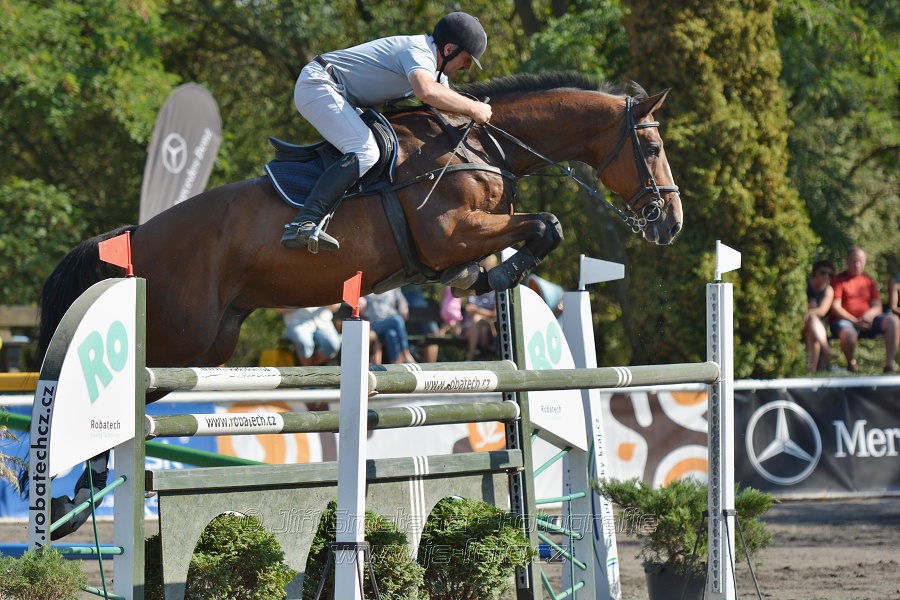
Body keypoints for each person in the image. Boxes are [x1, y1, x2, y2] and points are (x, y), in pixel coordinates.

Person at [281, 12, 492, 252]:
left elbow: (446, 104)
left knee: (385, 149)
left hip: (340, 94)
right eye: (467, 58)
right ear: (449, 49)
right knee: (366, 151)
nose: (467, 66)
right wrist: (474, 107)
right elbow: (425, 91)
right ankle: (304, 221)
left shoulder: (434, 72)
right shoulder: (418, 51)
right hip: (319, 84)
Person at [828, 247, 900, 373]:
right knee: (849, 335)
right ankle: (851, 364)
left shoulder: (868, 281)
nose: (857, 265)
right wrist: (854, 321)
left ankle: (889, 366)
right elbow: (835, 307)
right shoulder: (838, 280)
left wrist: (869, 316)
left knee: (893, 321)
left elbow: (877, 306)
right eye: (854, 261)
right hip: (846, 321)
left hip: (868, 321)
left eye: (860, 261)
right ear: (847, 261)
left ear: (865, 262)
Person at [360, 289, 416, 364]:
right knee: (397, 320)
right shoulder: (367, 286)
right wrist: (358, 299)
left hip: (390, 321)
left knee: (391, 334)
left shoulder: (392, 286)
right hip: (374, 324)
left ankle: (395, 364)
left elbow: (401, 299)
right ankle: (406, 354)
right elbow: (351, 296)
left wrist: (403, 306)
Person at [802, 260, 838, 373]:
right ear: (816, 272)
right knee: (812, 322)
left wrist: (810, 312)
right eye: (823, 272)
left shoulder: (828, 290)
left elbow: (822, 311)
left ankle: (810, 371)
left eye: (830, 274)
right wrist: (806, 306)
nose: (826, 276)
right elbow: (797, 304)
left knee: (812, 333)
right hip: (801, 322)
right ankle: (826, 348)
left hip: (817, 326)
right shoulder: (805, 285)